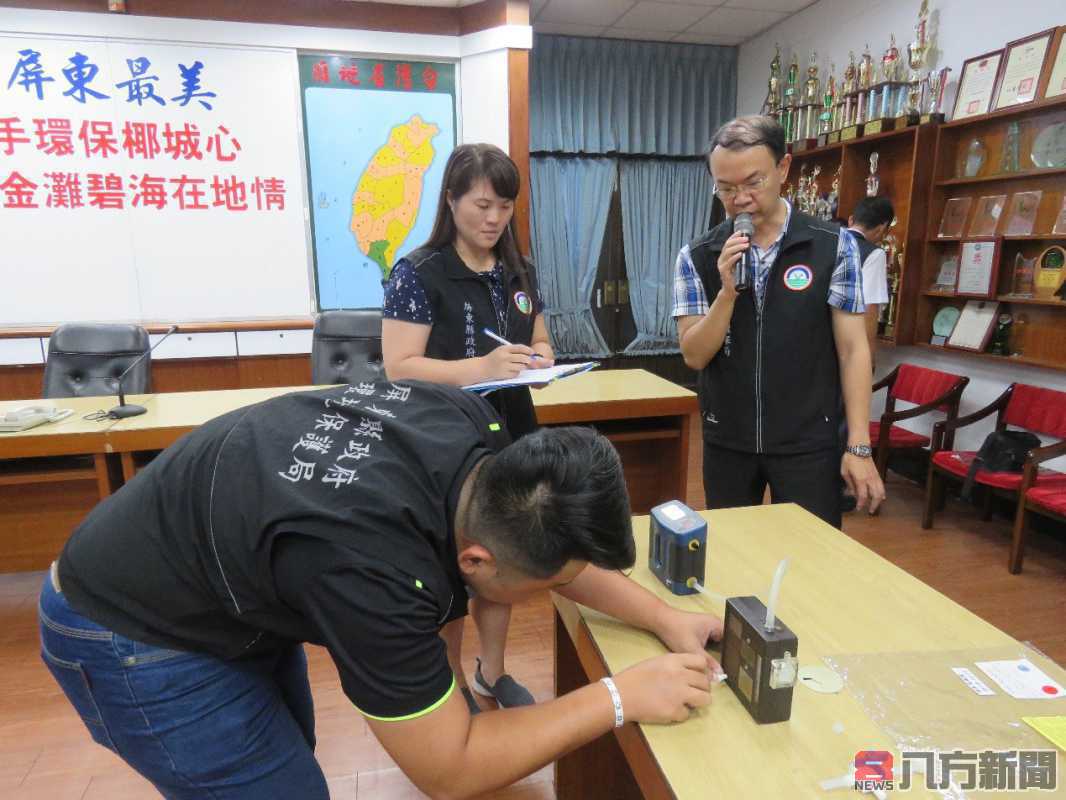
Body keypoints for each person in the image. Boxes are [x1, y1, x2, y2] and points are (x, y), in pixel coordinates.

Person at [41, 381, 723, 799]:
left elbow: (551, 550)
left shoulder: (471, 428)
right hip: (127, 631)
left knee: (282, 768)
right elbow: (448, 769)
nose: (566, 590)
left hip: (221, 571)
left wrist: (666, 619)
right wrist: (618, 697)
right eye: (552, 589)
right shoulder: (371, 574)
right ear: (478, 562)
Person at [381, 143, 554, 713]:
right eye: (482, 204)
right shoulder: (418, 272)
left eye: (505, 206)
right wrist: (481, 368)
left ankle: (491, 674)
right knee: (452, 574)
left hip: (513, 433)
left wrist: (545, 356)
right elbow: (400, 367)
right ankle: (452, 686)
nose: (494, 218)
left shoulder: (518, 269)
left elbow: (539, 335)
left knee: (501, 563)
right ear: (451, 200)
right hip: (445, 443)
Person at [672, 115, 885, 529]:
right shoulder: (697, 255)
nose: (741, 199)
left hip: (809, 442)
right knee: (734, 560)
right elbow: (694, 355)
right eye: (726, 188)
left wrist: (859, 446)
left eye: (754, 182)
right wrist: (726, 293)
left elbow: (853, 350)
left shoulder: (832, 246)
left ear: (783, 169)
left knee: (811, 563)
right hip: (727, 441)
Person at [846, 195, 894, 370]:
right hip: (845, 346)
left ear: (851, 219)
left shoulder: (827, 242)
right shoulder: (873, 254)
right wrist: (868, 357)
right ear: (882, 228)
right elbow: (869, 308)